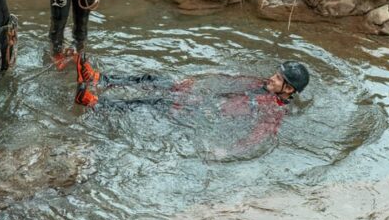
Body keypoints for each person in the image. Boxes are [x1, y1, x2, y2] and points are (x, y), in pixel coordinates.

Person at [74, 54, 310, 149]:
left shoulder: (274, 113)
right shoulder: (261, 85)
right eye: (275, 74)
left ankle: (95, 103)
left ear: (288, 89)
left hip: (203, 114)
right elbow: (229, 80)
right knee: (161, 81)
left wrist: (226, 152)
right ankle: (102, 79)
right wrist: (196, 82)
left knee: (155, 103)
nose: (272, 78)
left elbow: (257, 137)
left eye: (278, 78)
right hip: (205, 100)